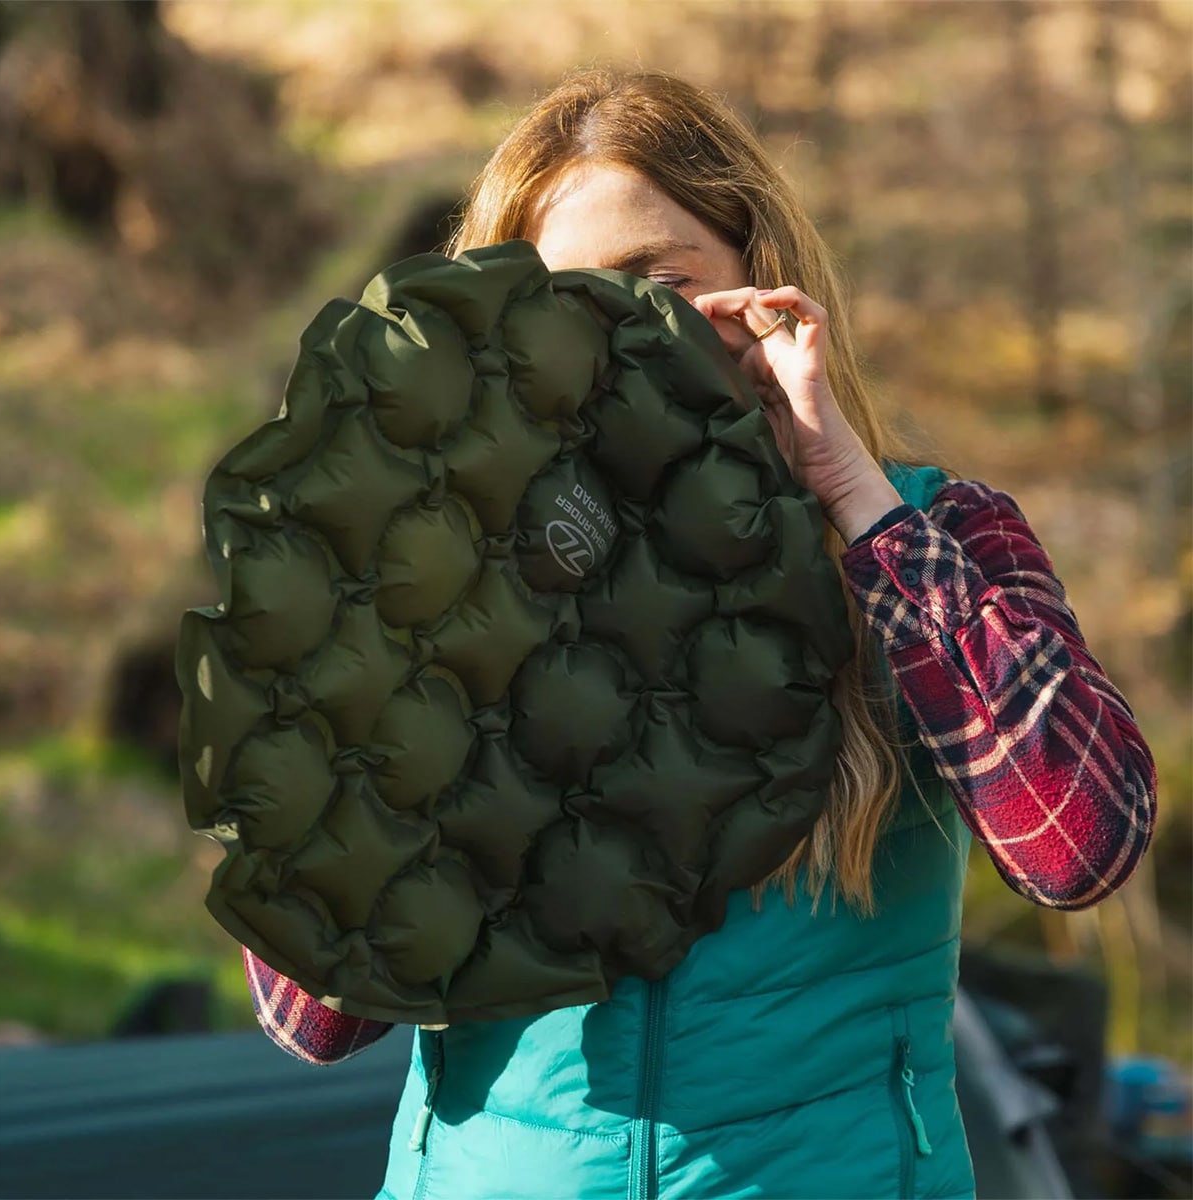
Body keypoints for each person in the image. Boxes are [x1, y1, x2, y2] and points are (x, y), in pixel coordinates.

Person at [241, 69, 1157, 1199]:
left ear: (761, 289)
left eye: (661, 289)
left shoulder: (929, 536)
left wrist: (850, 493)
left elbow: (1081, 846)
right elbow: (307, 1016)